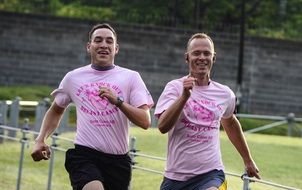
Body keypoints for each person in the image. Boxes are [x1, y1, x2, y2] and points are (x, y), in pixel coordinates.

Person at [31, 23, 154, 190]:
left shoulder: (131, 77)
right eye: (98, 40)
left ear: (116, 48)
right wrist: (40, 140)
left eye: (109, 41)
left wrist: (118, 101)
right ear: (89, 47)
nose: (104, 44)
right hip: (84, 155)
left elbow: (145, 121)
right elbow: (56, 110)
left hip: (118, 161)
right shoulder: (73, 78)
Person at [154, 33, 260, 190]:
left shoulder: (225, 94)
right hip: (175, 177)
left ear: (214, 57)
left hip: (210, 174)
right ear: (187, 57)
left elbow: (230, 123)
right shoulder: (174, 87)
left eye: (206, 53)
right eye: (196, 53)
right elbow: (163, 126)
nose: (202, 57)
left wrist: (248, 159)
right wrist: (184, 97)